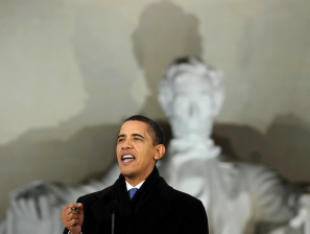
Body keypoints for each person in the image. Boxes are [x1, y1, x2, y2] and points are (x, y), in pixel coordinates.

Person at [158, 56, 310, 234]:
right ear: (167, 103)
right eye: (183, 101)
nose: (194, 113)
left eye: (203, 101)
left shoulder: (248, 179)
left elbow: (286, 198)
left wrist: (300, 200)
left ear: (216, 103)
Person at [60, 115, 209, 234]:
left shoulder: (188, 208)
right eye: (121, 139)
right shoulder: (87, 205)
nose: (126, 145)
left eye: (137, 139)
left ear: (158, 151)